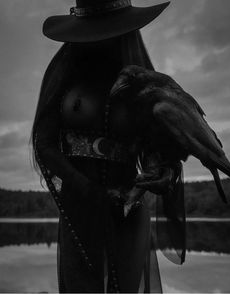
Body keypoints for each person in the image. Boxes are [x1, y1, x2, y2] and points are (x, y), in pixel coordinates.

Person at [30, 0, 186, 292]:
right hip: (79, 212)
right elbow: (45, 144)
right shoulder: (65, 74)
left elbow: (159, 148)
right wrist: (88, 192)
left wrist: (164, 170)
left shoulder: (142, 83)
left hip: (128, 208)